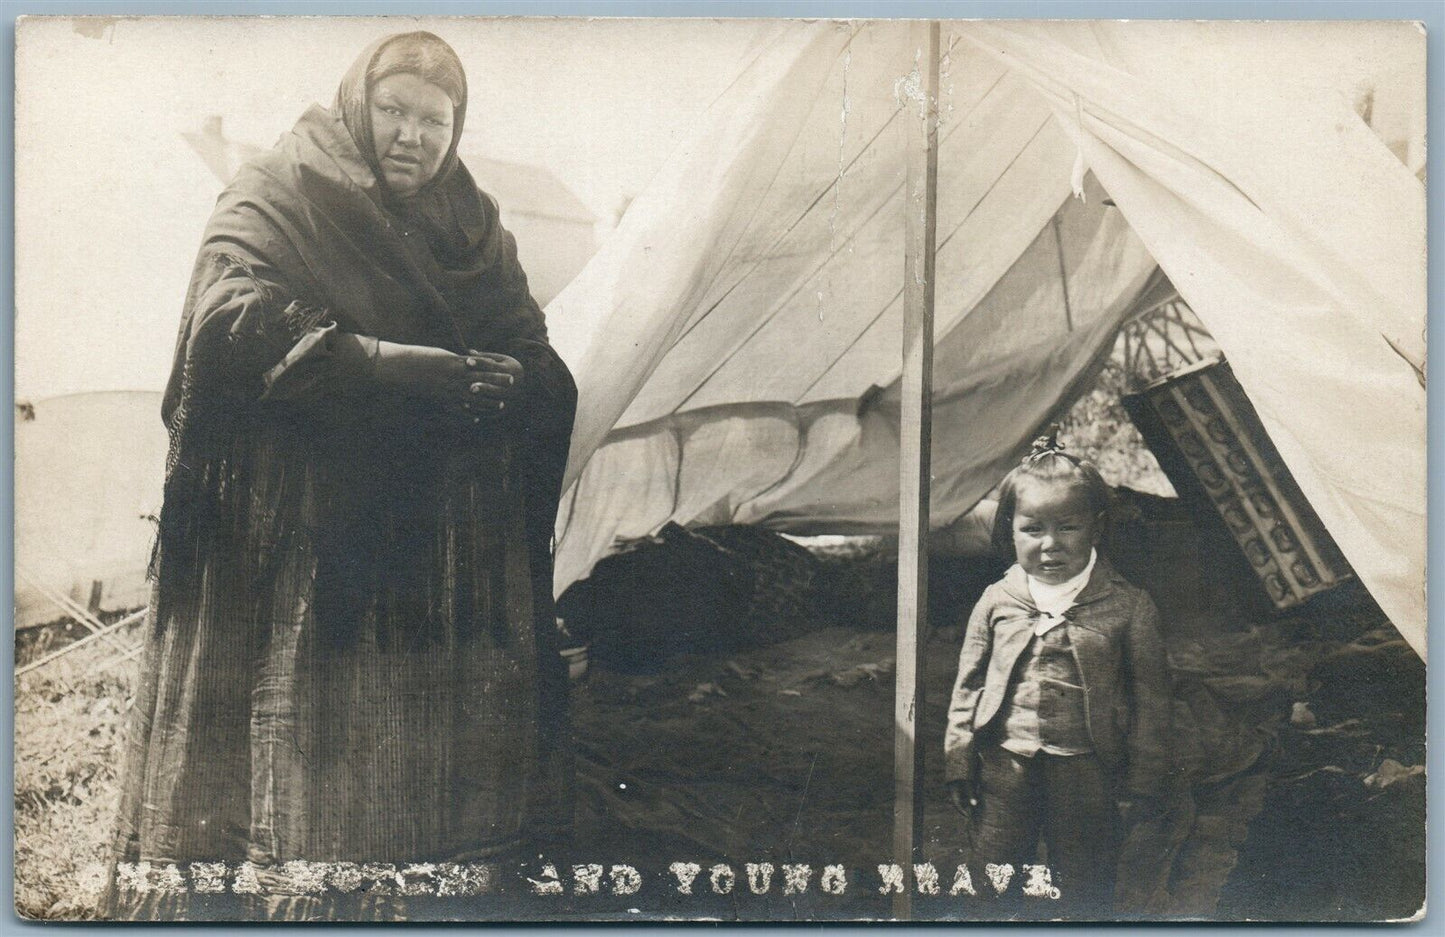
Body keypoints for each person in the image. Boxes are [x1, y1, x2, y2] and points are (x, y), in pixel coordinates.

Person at [102, 31, 577, 920]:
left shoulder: (474, 221)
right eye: (394, 110)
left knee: (410, 738)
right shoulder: (281, 191)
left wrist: (519, 378)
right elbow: (225, 318)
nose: (412, 135)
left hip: (437, 545)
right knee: (304, 736)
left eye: (435, 119)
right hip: (304, 526)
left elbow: (528, 336)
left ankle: (422, 887)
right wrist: (379, 361)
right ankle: (287, 890)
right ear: (359, 107)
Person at [943, 432, 1172, 914]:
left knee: (1086, 879)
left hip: (1087, 770)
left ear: (1097, 527)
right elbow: (969, 685)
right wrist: (959, 759)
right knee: (994, 877)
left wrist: (1145, 780)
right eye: (1032, 529)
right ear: (1010, 530)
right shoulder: (997, 600)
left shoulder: (1128, 606)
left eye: (1067, 528)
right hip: (1005, 767)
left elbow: (1152, 701)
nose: (1050, 545)